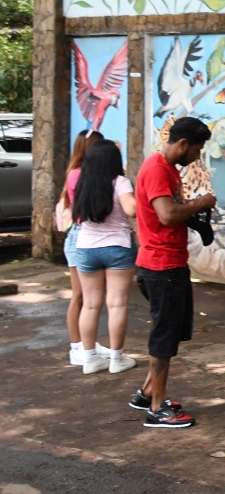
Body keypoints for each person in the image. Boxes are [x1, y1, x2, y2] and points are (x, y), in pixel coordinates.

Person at [132, 117, 216, 428]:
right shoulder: (156, 169)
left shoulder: (167, 170)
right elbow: (166, 215)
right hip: (161, 266)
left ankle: (146, 393)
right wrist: (200, 203)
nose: (197, 155)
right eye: (197, 149)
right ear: (182, 144)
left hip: (168, 263)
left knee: (171, 332)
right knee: (163, 339)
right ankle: (157, 409)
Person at [71, 139, 138, 375]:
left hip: (86, 248)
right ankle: (116, 359)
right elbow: (131, 210)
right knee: (117, 303)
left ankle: (89, 359)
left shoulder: (83, 182)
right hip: (117, 247)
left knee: (90, 305)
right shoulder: (120, 182)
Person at [59, 130, 102, 366]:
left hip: (85, 236)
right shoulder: (78, 175)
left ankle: (87, 344)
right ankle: (76, 346)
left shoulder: (81, 173)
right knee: (80, 296)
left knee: (89, 298)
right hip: (79, 236)